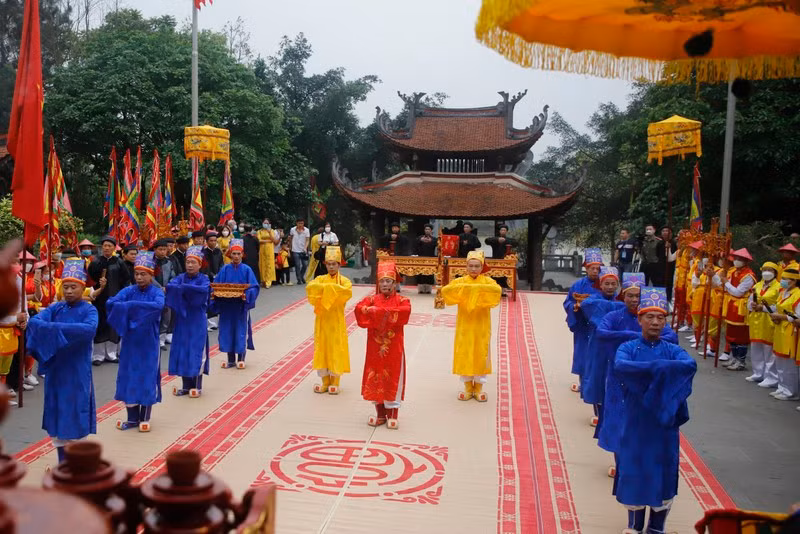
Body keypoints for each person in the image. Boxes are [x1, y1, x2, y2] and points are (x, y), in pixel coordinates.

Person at [609, 287, 697, 534]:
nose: (656, 322)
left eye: (660, 317)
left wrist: (652, 369)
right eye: (650, 317)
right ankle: (634, 526)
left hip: (663, 421)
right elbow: (622, 366)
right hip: (636, 419)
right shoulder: (628, 348)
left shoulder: (672, 349)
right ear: (639, 319)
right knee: (634, 468)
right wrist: (662, 371)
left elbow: (689, 365)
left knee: (662, 470)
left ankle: (656, 528)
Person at [26, 259, 98, 462]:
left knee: (76, 411)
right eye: (65, 287)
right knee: (57, 412)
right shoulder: (56, 308)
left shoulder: (89, 310)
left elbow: (89, 330)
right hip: (56, 369)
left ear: (83, 288)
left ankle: (77, 465)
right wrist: (53, 329)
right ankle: (62, 463)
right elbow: (36, 321)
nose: (69, 291)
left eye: (73, 287)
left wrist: (53, 329)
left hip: (77, 370)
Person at [106, 251, 165, 432]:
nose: (139, 277)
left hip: (149, 342)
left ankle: (145, 417)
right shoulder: (128, 291)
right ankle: (132, 418)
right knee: (129, 377)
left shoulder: (157, 292)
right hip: (130, 341)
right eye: (137, 274)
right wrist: (127, 307)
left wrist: (130, 306)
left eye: (143, 274)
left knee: (147, 376)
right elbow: (111, 302)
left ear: (151, 275)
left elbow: (158, 306)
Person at [355, 261, 411, 429]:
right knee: (376, 376)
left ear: (395, 283)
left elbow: (405, 312)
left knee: (393, 376)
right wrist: (376, 312)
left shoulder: (402, 300)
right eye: (382, 281)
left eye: (388, 281)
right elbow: (359, 308)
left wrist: (377, 313)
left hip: (394, 348)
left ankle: (393, 414)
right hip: (374, 348)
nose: (385, 284)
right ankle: (380, 414)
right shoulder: (372, 299)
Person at [441, 250, 502, 402]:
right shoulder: (460, 281)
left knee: (481, 352)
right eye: (471, 266)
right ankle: (468, 387)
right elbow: (446, 291)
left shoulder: (487, 282)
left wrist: (477, 289)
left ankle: (479, 387)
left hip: (481, 324)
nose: (474, 269)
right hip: (465, 324)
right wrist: (468, 288)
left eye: (477, 266)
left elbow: (497, 291)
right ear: (466, 267)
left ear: (482, 267)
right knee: (465, 352)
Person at [579, 266, 623, 426]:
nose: (610, 287)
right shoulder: (592, 301)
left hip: (617, 346)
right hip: (598, 346)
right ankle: (598, 413)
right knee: (598, 376)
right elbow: (587, 307)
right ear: (600, 285)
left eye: (613, 284)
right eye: (607, 284)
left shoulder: (621, 301)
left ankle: (613, 414)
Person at [306, 246, 353, 394]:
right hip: (322, 320)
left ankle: (335, 381)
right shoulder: (320, 279)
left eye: (334, 264)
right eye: (329, 264)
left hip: (336, 321)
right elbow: (311, 287)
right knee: (322, 348)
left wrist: (325, 289)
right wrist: (331, 288)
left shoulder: (345, 281)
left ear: (339, 265)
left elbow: (346, 292)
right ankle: (325, 382)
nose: (331, 267)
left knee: (335, 348)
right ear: (325, 265)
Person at [167, 246, 211, 398]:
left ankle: (197, 386)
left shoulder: (204, 279)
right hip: (182, 320)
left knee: (196, 350)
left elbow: (203, 291)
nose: (190, 265)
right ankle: (186, 386)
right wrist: (186, 288)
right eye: (188, 262)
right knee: (183, 351)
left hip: (197, 319)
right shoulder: (180, 277)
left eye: (193, 262)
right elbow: (171, 286)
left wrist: (183, 288)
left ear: (200, 264)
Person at [210, 239, 259, 369]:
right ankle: (230, 360)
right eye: (234, 253)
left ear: (242, 254)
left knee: (241, 331)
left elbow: (254, 287)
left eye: (238, 253)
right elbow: (216, 286)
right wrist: (215, 294)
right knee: (227, 331)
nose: (236, 256)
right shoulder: (225, 269)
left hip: (241, 307)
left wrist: (246, 295)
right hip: (227, 307)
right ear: (230, 254)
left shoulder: (247, 269)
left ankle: (241, 358)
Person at [564, 248, 604, 392]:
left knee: (598, 355)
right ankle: (583, 384)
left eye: (598, 268)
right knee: (583, 354)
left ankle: (596, 385)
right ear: (586, 268)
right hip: (582, 325)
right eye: (592, 268)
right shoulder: (578, 285)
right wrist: (574, 306)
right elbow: (567, 302)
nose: (595, 271)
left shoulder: (605, 284)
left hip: (599, 326)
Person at [88, 235, 130, 366]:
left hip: (115, 298)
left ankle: (111, 354)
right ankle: (98, 355)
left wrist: (122, 296)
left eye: (109, 246)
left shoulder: (119, 262)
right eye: (105, 246)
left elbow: (126, 279)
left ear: (114, 248)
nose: (106, 248)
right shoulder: (95, 261)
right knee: (100, 325)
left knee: (113, 325)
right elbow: (90, 278)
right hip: (99, 299)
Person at [720, 248, 757, 371]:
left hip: (741, 307)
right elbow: (726, 287)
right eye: (735, 258)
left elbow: (738, 292)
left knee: (740, 336)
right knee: (731, 334)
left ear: (746, 261)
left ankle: (741, 361)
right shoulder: (734, 272)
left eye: (740, 259)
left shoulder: (748, 276)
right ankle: (733, 357)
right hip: (731, 306)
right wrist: (717, 278)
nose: (736, 261)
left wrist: (726, 282)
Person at [746, 262, 781, 386]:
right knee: (756, 347)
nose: (766, 272)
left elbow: (780, 306)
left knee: (769, 349)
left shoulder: (779, 287)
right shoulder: (757, 285)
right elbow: (749, 301)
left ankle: (771, 377)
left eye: (770, 270)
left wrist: (764, 308)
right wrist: (752, 305)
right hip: (756, 319)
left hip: (769, 320)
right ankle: (758, 373)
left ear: (775, 273)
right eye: (764, 269)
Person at [769, 268, 800, 401]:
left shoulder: (798, 294)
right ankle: (782, 387)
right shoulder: (783, 292)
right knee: (780, 360)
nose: (782, 281)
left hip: (790, 331)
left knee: (789, 363)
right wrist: (775, 317)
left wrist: (781, 317)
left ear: (794, 281)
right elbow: (778, 308)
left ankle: (791, 391)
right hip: (780, 329)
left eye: (785, 279)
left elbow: (797, 316)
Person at [0, 253, 27, 405]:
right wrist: (16, 318)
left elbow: (24, 306)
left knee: (5, 367)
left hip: (11, 332)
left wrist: (24, 320)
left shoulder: (19, 280)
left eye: (17, 261)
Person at [152, 239, 178, 349]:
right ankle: (153, 339)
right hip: (153, 292)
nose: (163, 252)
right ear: (155, 250)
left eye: (164, 249)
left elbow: (173, 276)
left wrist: (167, 286)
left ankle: (161, 340)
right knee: (155, 316)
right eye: (160, 249)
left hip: (167, 292)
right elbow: (149, 277)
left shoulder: (169, 262)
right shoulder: (150, 261)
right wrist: (159, 287)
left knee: (166, 316)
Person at [656, 227, 677, 302]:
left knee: (669, 282)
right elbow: (657, 254)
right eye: (663, 231)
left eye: (667, 231)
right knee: (660, 281)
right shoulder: (659, 243)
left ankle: (668, 298)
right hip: (661, 265)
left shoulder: (674, 243)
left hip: (670, 266)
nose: (665, 232)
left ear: (670, 233)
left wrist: (669, 248)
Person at [415, 223, 437, 294]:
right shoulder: (420, 238)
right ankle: (420, 289)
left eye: (428, 229)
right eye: (426, 229)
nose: (427, 230)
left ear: (431, 230)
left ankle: (428, 289)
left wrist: (431, 241)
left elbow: (438, 244)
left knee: (429, 273)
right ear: (424, 230)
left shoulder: (434, 239)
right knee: (420, 273)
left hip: (430, 258)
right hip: (421, 258)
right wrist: (420, 240)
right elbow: (415, 244)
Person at [257, 219, 279, 288]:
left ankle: (269, 281)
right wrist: (268, 241)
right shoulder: (259, 231)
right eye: (264, 223)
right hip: (262, 249)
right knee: (263, 264)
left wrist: (269, 233)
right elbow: (259, 240)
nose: (265, 224)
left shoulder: (272, 231)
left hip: (269, 249)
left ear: (269, 224)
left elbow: (274, 240)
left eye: (267, 223)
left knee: (269, 264)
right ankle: (263, 280)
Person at [289, 218, 311, 284]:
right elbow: (290, 239)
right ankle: (299, 279)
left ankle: (301, 276)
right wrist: (290, 247)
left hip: (303, 250)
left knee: (305, 265)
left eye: (302, 223)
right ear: (297, 223)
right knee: (297, 265)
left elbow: (307, 240)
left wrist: (305, 248)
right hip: (295, 249)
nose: (300, 225)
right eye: (299, 223)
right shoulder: (292, 229)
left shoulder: (306, 230)